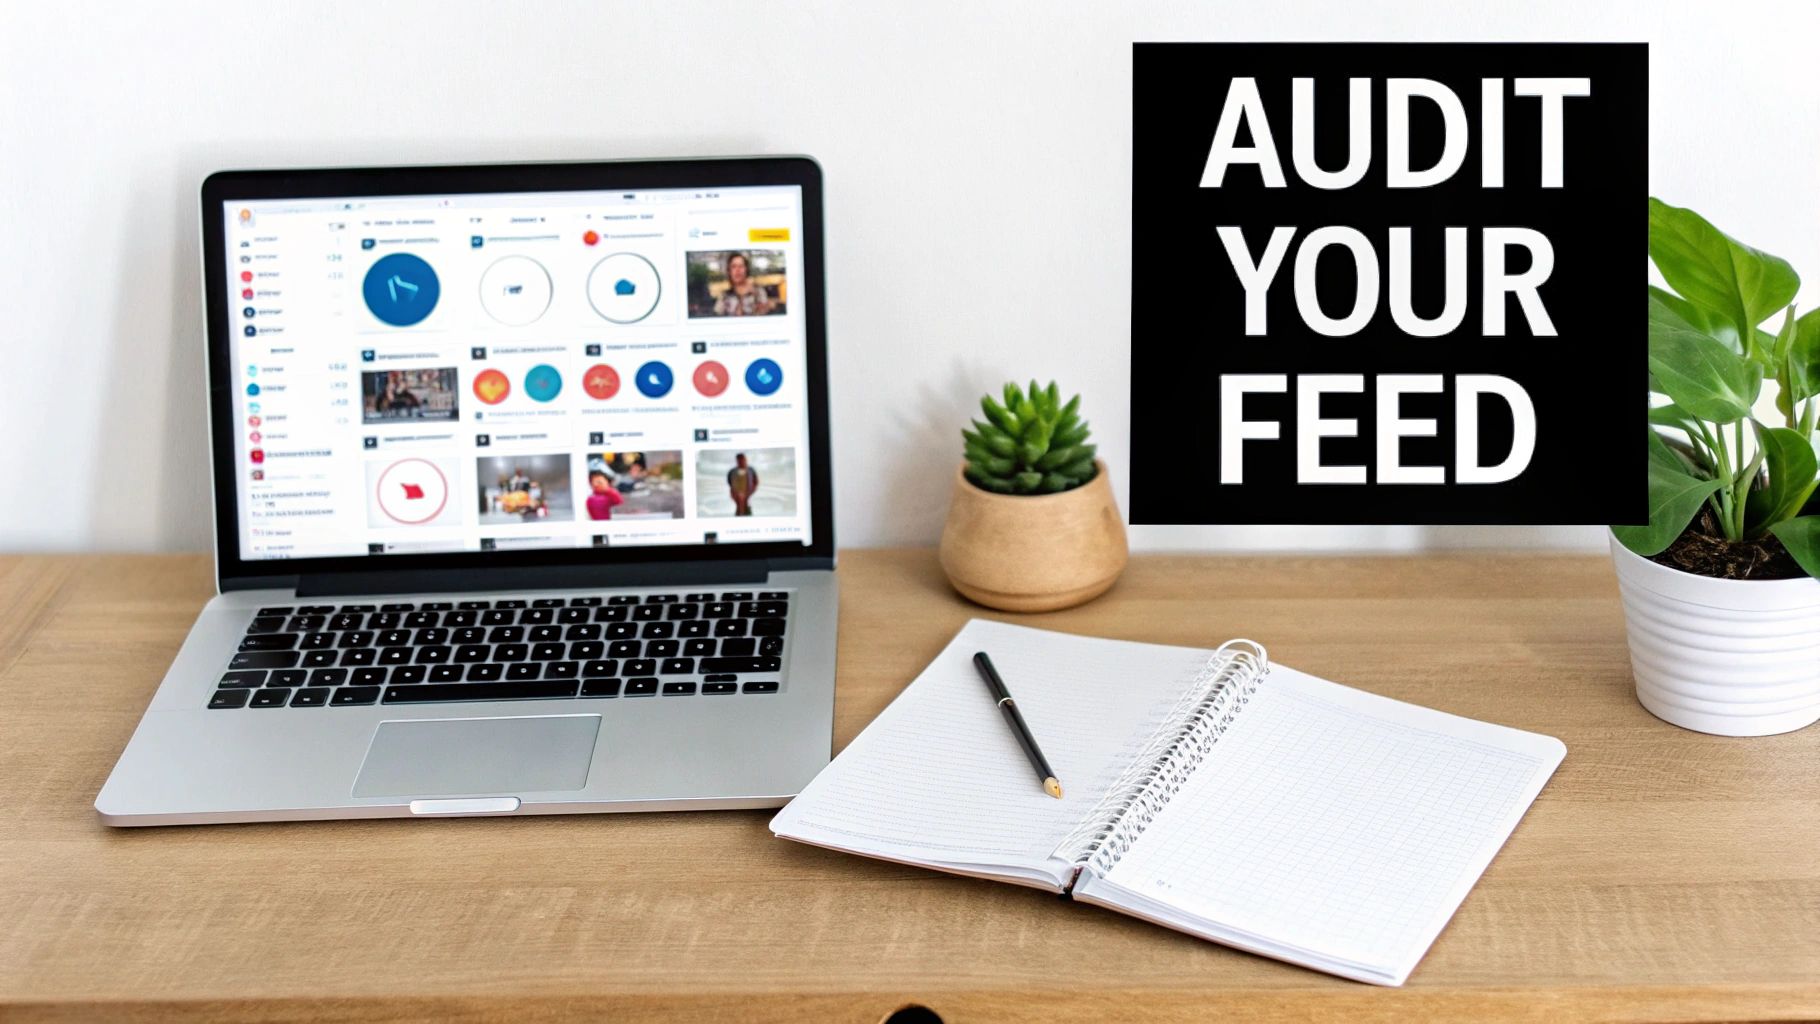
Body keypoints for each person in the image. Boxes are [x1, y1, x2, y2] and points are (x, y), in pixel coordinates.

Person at [712, 251, 776, 316]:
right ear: (729, 271)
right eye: (733, 267)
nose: (737, 270)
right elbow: (716, 318)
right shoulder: (724, 296)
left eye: (741, 266)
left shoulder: (758, 292)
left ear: (746, 270)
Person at [726, 452, 759, 516]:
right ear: (737, 462)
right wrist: (735, 492)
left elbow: (756, 482)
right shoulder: (732, 472)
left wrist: (750, 492)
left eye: (743, 460)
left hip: (748, 492)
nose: (742, 463)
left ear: (745, 460)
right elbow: (730, 483)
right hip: (737, 493)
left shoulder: (751, 470)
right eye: (739, 461)